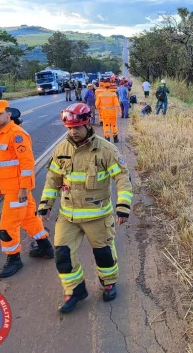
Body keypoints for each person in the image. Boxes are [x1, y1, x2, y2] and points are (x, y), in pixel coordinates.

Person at [37, 103, 133, 313]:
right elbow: (52, 180)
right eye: (70, 128)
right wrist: (45, 206)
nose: (73, 132)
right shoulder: (61, 149)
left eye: (77, 127)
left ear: (87, 124)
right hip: (68, 215)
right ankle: (75, 290)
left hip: (97, 215)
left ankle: (108, 282)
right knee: (62, 254)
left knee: (104, 254)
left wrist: (123, 206)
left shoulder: (106, 150)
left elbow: (123, 179)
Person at [0, 100, 54, 278]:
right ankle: (45, 247)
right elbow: (6, 165)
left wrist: (23, 188)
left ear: (8, 115)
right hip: (11, 188)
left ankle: (14, 259)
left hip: (18, 190)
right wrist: (1, 186)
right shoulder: (2, 133)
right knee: (29, 219)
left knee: (7, 226)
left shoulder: (16, 134)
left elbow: (26, 164)